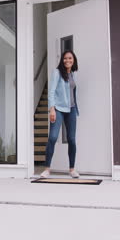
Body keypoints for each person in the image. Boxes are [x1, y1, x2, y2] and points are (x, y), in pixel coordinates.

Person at [40, 50, 80, 179]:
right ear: (62, 60)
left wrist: (75, 109)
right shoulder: (57, 73)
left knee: (72, 140)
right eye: (65, 58)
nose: (67, 60)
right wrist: (51, 109)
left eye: (70, 58)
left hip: (71, 110)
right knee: (52, 137)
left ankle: (72, 169)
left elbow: (72, 94)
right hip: (58, 109)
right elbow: (51, 92)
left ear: (73, 60)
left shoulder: (73, 74)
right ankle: (47, 169)